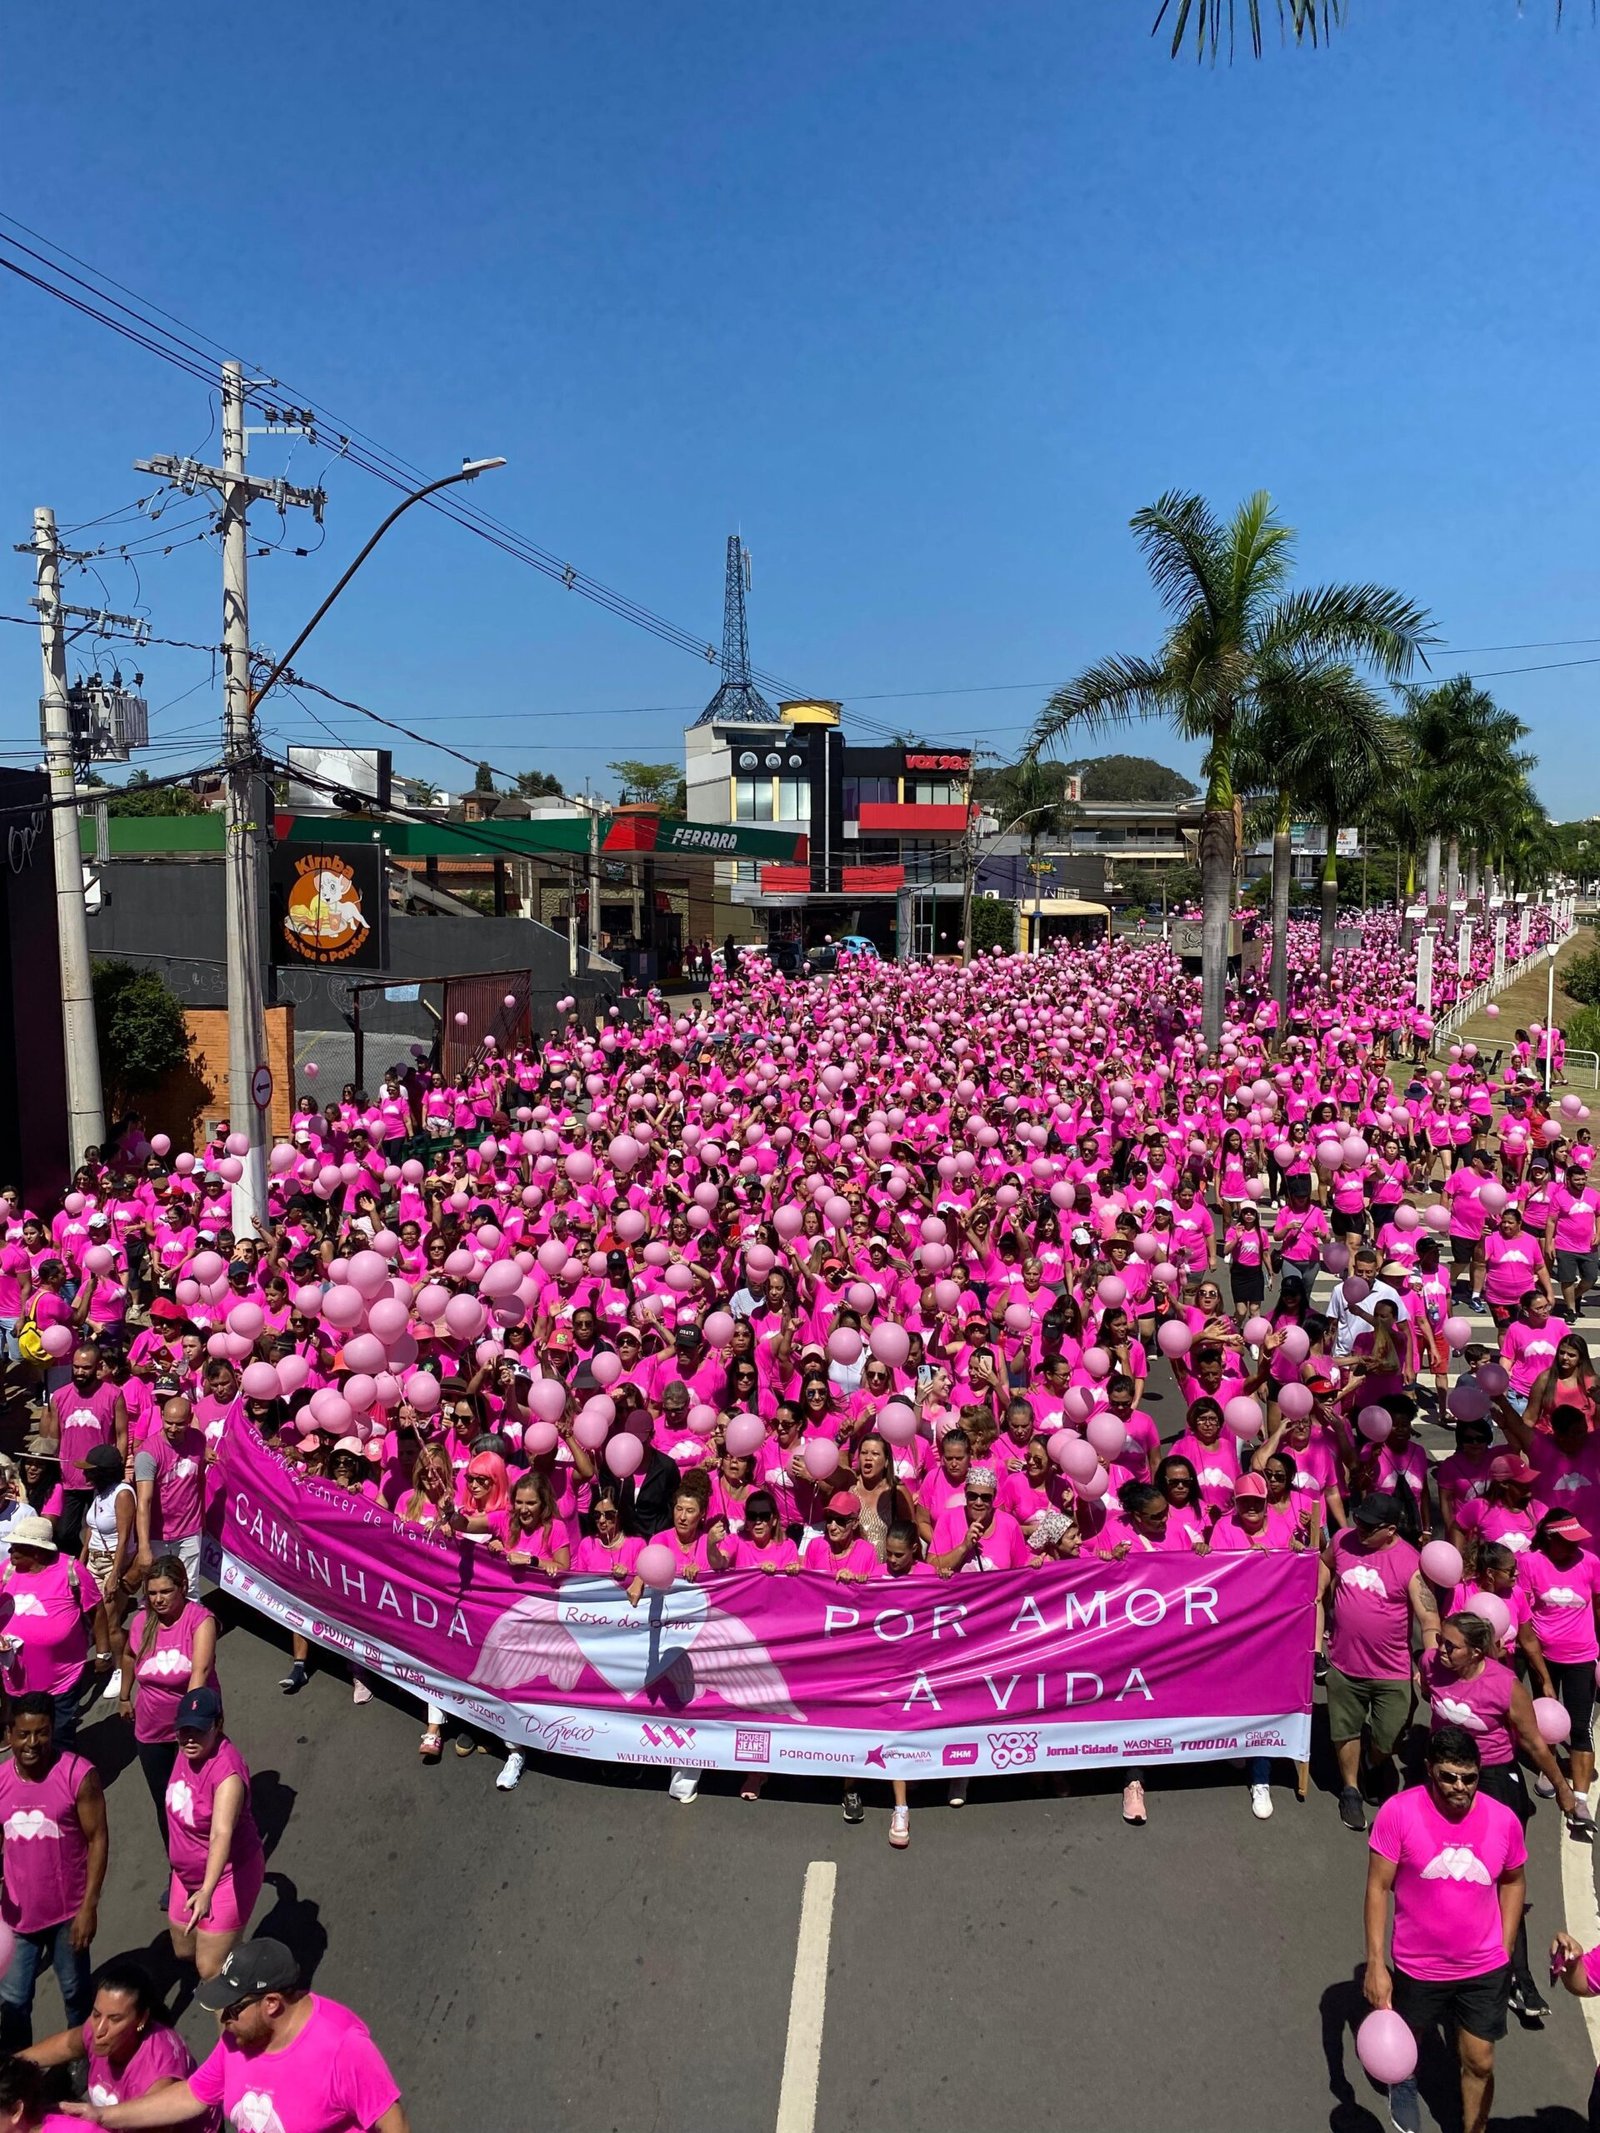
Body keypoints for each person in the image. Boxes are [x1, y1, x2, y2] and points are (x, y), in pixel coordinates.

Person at [59, 1937, 408, 2130]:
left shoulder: (342, 2048)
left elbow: (395, 2126)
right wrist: (103, 2115)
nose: (223, 2019)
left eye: (232, 2009)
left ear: (271, 2004)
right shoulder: (239, 2040)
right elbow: (192, 2095)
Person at [1363, 1726, 1526, 2133]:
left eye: (1469, 1778)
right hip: (1419, 1966)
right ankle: (1403, 2080)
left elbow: (1513, 1879)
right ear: (1429, 1770)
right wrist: (1375, 1964)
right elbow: (1378, 1888)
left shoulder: (1503, 1821)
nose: (1460, 1787)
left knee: (1480, 2060)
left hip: (1483, 1967)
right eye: (1449, 1776)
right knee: (1410, 2040)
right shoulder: (1398, 1813)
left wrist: (1504, 1946)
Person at [1320, 1492, 1437, 1832]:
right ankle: (1351, 1789)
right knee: (1345, 1730)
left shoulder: (1410, 1562)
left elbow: (1428, 1616)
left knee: (1389, 1736)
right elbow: (1326, 1563)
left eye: (1368, 1526)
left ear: (1389, 1530)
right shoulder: (1343, 1541)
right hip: (1344, 1664)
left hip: (1391, 1670)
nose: (1359, 1529)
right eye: (1358, 1520)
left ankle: (1374, 1762)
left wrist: (1429, 1657)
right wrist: (1319, 1595)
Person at [0, 1696, 107, 2052]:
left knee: (76, 1994)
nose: (33, 1743)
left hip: (68, 1916)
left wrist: (88, 1907)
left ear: (53, 1731)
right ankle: (20, 2075)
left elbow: (97, 1840)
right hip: (17, 1920)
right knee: (13, 2002)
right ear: (9, 1735)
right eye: (24, 1734)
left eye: (42, 1733)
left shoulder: (79, 1774)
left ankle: (82, 2060)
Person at [21, 1960, 205, 2124]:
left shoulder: (158, 2078)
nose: (98, 2030)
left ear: (141, 2019)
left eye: (115, 2019)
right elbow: (67, 2045)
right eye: (96, 2014)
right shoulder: (98, 2030)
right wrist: (13, 2063)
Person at [162, 1688, 263, 1985]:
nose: (190, 1739)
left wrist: (206, 1891)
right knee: (183, 1949)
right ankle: (234, 1951)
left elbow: (221, 1833)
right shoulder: (185, 1750)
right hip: (185, 1874)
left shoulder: (227, 1774)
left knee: (210, 1969)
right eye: (184, 1730)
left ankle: (240, 2006)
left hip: (226, 1877)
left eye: (199, 1731)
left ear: (218, 1725)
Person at [117, 1557, 218, 1849]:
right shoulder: (140, 1622)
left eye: (165, 1592)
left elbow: (199, 1672)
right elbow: (128, 1656)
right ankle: (178, 1865)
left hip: (192, 1730)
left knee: (197, 1800)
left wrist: (191, 1727)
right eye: (152, 1593)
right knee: (166, 1803)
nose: (158, 1599)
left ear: (182, 1588)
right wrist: (125, 1696)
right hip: (151, 1731)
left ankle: (211, 1859)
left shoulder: (200, 1620)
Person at [0, 1518, 99, 1747]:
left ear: (37, 1551)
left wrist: (103, 1651)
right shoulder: (6, 1570)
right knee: (25, 1737)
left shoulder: (71, 1570)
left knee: (59, 1735)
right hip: (17, 1678)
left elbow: (96, 1610)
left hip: (62, 1678)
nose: (11, 1550)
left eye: (17, 1546)